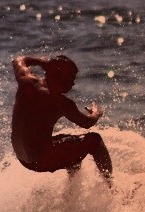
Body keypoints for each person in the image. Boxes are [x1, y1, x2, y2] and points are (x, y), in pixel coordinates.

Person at [10, 54, 113, 185]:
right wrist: (96, 113)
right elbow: (87, 123)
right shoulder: (61, 102)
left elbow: (18, 60)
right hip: (41, 160)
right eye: (70, 79)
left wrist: (43, 62)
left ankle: (72, 189)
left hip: (22, 158)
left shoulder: (26, 81)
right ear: (59, 79)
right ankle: (111, 187)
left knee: (71, 141)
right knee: (95, 140)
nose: (73, 83)